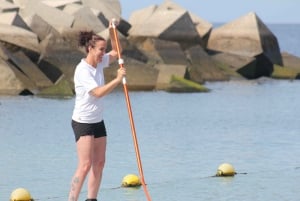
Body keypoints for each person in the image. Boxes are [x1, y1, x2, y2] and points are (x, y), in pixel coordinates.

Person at [68, 21, 125, 201]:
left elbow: (117, 52)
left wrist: (111, 30)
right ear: (90, 49)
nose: (103, 53)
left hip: (97, 121)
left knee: (99, 163)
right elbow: (98, 93)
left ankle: (91, 199)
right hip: (82, 122)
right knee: (85, 165)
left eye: (104, 49)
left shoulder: (100, 62)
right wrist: (117, 80)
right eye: (101, 49)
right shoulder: (82, 70)